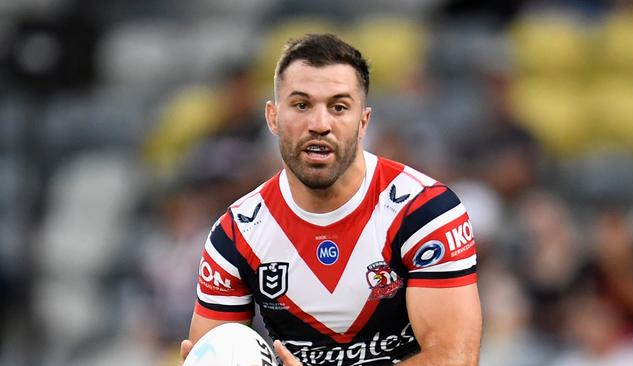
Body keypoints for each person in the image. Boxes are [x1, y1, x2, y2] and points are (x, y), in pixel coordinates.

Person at [180, 33, 482, 366]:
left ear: (363, 122)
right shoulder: (236, 234)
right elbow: (216, 349)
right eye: (301, 105)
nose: (320, 124)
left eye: (339, 107)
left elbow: (454, 359)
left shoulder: (425, 212)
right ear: (273, 118)